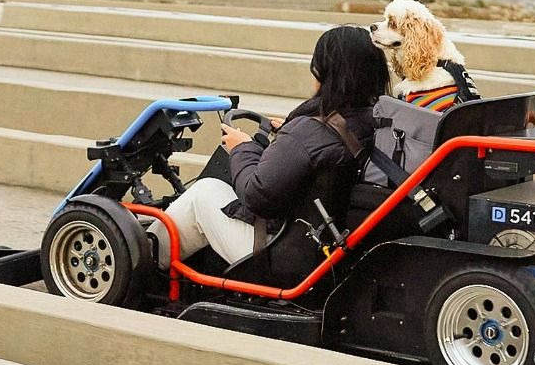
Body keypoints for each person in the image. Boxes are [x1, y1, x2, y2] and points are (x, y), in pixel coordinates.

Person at [148, 25, 390, 270]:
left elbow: (256, 195)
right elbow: (317, 151)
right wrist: (288, 135)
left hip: (281, 256)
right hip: (324, 250)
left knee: (204, 192)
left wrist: (241, 147)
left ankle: (142, 264)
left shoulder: (308, 133)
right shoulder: (375, 120)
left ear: (325, 73)